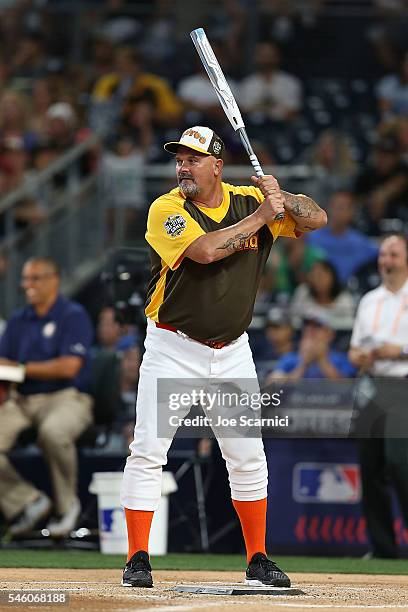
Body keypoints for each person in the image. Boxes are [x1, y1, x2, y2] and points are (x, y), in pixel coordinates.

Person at [120, 125, 327, 588]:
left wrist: (282, 198)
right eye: (179, 159)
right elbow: (206, 251)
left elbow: (317, 219)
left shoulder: (244, 197)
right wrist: (262, 216)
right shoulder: (168, 208)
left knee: (248, 456)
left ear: (217, 165)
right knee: (149, 450)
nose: (182, 167)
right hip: (173, 347)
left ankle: (258, 558)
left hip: (232, 352)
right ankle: (137, 557)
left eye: (193, 159)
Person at [0, 257, 94, 538]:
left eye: (35, 278)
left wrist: (23, 369)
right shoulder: (18, 320)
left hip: (66, 396)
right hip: (22, 399)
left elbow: (69, 366)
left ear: (54, 279)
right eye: (25, 279)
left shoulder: (72, 315)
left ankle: (67, 507)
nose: (27, 285)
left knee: (53, 432)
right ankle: (28, 501)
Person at [349, 234, 408, 558]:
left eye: (394, 254)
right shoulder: (370, 299)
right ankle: (383, 548)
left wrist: (399, 350)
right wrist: (357, 355)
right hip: (373, 384)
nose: (386, 260)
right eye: (384, 254)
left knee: (401, 464)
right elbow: (355, 346)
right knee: (369, 467)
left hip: (403, 383)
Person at [269, 311, 355, 383]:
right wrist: (303, 365)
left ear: (330, 333)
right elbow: (272, 387)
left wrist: (322, 361)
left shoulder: (342, 358)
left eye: (317, 326)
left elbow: (348, 388)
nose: (310, 330)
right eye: (307, 326)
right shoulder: (289, 358)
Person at [290, 260, 356, 330]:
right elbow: (292, 318)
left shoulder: (344, 298)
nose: (317, 280)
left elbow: (350, 323)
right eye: (313, 275)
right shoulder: (303, 292)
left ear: (332, 277)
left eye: (321, 275)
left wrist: (326, 321)